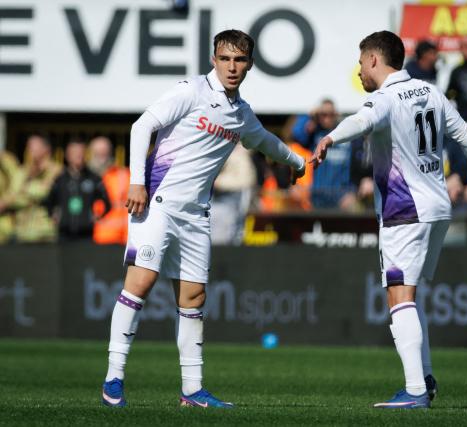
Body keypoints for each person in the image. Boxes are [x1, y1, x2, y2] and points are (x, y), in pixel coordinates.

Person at [101, 29, 306, 409]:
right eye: (225, 58)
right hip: (157, 203)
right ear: (214, 59)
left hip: (196, 214)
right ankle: (113, 378)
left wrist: (297, 163)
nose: (232, 66)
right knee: (140, 284)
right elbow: (140, 126)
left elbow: (265, 142)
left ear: (249, 64)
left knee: (194, 298)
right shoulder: (190, 90)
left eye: (239, 60)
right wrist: (136, 182)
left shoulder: (240, 113)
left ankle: (192, 391)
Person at [310, 30, 467, 409]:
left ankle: (415, 390)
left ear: (373, 60)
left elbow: (361, 120)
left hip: (404, 210)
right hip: (438, 208)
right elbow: (464, 135)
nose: (360, 71)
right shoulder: (431, 91)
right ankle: (425, 380)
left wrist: (330, 138)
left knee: (399, 298)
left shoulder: (384, 98)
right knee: (412, 297)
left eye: (361, 61)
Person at [47, 140, 111, 241]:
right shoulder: (60, 179)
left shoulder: (94, 178)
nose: (78, 156)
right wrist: (54, 216)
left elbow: (107, 202)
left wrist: (98, 216)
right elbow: (49, 201)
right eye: (75, 153)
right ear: (67, 155)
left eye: (81, 153)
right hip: (64, 234)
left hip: (86, 234)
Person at [11, 134, 62, 242]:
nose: (30, 149)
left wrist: (25, 189)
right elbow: (13, 198)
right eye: (28, 146)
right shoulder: (21, 172)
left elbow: (46, 194)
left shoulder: (57, 171)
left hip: (47, 233)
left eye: (34, 146)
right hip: (22, 234)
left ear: (46, 149)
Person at [88, 136, 130, 245]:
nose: (102, 155)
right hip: (87, 239)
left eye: (104, 152)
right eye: (98, 152)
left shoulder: (124, 175)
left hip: (118, 239)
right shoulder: (84, 177)